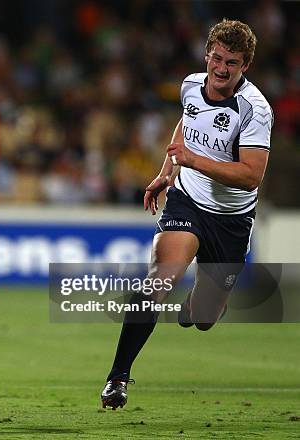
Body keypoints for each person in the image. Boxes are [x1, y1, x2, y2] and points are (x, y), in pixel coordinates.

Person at [100, 18, 273, 410]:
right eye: (217, 57)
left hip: (231, 219)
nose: (222, 68)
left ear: (245, 66)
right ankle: (118, 378)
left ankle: (196, 305)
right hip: (188, 200)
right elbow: (187, 122)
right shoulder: (191, 85)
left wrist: (193, 159)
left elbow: (250, 176)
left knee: (206, 316)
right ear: (206, 54)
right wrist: (166, 172)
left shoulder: (255, 111)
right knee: (156, 281)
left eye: (233, 62)